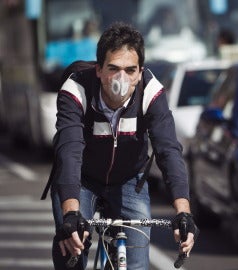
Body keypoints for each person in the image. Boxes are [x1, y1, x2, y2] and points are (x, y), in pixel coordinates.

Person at [45, 21, 199, 270]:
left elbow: (168, 150)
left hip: (129, 179)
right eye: (113, 68)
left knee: (137, 265)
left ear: (140, 72)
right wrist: (71, 213)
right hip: (81, 178)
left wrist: (184, 213)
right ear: (99, 70)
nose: (121, 79)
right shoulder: (76, 89)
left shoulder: (151, 92)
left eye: (130, 70)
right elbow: (69, 150)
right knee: (71, 252)